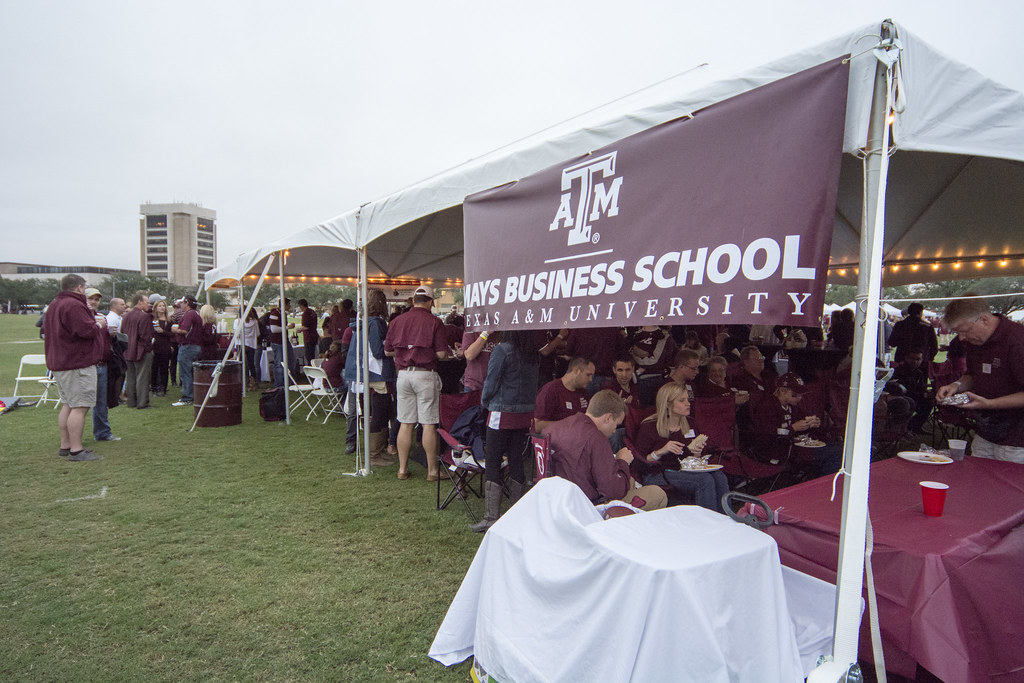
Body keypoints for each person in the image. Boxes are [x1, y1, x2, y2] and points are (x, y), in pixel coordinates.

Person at [544, 390, 667, 511]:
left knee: (630, 481)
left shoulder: (554, 427)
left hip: (556, 498)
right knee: (658, 494)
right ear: (608, 418)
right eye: (616, 424)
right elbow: (613, 491)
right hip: (588, 507)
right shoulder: (596, 438)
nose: (614, 430)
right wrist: (622, 461)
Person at [936, 296, 1024, 463]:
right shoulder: (975, 342)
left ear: (983, 319)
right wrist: (957, 385)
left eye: (965, 330)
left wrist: (990, 404)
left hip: (1017, 439)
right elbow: (973, 375)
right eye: (957, 332)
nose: (961, 338)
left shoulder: (1017, 341)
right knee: (979, 480)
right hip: (986, 431)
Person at [472, 330, 541, 532]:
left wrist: (484, 402)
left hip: (501, 411)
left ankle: (491, 516)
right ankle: (516, 513)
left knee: (493, 459)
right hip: (524, 412)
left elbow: (491, 382)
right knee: (516, 459)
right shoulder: (533, 353)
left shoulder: (502, 350)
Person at [632, 382, 730, 513]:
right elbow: (639, 462)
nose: (688, 403)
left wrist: (697, 453)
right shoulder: (649, 427)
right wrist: (661, 451)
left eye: (687, 399)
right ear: (667, 404)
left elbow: (690, 458)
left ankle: (725, 519)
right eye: (682, 400)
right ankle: (707, 523)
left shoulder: (690, 423)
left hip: (683, 470)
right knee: (704, 481)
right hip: (658, 472)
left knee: (719, 477)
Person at [384, 285, 448, 480]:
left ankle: (402, 469)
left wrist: (407, 351)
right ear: (429, 301)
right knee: (428, 423)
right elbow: (441, 354)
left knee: (405, 422)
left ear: (413, 300)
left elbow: (387, 351)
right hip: (425, 374)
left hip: (403, 374)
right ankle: (432, 471)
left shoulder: (397, 321)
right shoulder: (434, 322)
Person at [43, 274, 108, 461]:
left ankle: (66, 444)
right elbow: (85, 330)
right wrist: (98, 324)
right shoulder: (73, 305)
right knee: (80, 406)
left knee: (68, 405)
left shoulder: (55, 303)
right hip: (76, 363)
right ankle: (76, 450)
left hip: (61, 362)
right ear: (79, 288)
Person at [344, 288, 397, 465]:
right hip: (377, 373)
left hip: (366, 372)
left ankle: (376, 451)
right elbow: (378, 350)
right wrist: (393, 348)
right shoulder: (375, 323)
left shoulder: (363, 322)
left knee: (377, 411)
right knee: (380, 412)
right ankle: (374, 454)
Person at [85, 287, 118, 443]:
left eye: (97, 299)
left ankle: (103, 432)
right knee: (81, 403)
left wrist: (111, 334)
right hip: (87, 365)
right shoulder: (82, 318)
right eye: (91, 298)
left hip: (102, 364)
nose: (94, 302)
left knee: (101, 401)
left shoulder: (101, 317)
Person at [533, 357, 595, 433]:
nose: (591, 379)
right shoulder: (551, 390)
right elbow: (537, 426)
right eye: (588, 375)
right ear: (576, 370)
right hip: (558, 438)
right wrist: (568, 425)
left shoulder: (583, 392)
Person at [121, 292, 155, 409]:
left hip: (128, 350)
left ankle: (131, 402)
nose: (149, 305)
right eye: (147, 302)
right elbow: (145, 336)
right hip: (141, 351)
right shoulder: (144, 316)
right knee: (142, 377)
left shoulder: (126, 316)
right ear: (140, 302)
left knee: (130, 377)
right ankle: (142, 403)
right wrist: (149, 348)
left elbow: (123, 333)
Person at [172, 295, 202, 406]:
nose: (180, 305)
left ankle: (187, 397)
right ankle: (194, 395)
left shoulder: (189, 315)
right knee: (192, 372)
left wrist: (175, 329)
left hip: (187, 346)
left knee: (185, 373)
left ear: (187, 303)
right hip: (195, 346)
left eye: (182, 303)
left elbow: (184, 330)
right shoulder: (197, 314)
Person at [892, 349, 931, 434]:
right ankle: (906, 428)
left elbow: (921, 387)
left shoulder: (919, 373)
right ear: (906, 358)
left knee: (929, 403)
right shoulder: (900, 371)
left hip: (916, 397)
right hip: (903, 397)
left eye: (918, 359)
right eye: (912, 358)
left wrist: (926, 392)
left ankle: (916, 426)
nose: (915, 362)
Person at [267, 297, 295, 387]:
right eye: (288, 304)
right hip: (277, 342)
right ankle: (279, 384)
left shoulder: (283, 314)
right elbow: (274, 329)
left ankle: (289, 380)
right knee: (278, 363)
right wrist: (287, 327)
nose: (289, 306)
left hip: (284, 341)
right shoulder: (275, 314)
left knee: (291, 360)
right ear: (284, 305)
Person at [151, 296, 174, 397]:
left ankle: (163, 388)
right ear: (156, 308)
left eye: (163, 306)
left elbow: (172, 334)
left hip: (165, 347)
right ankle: (154, 388)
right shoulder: (152, 319)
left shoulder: (169, 320)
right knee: (154, 368)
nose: (162, 308)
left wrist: (163, 331)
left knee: (164, 368)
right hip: (155, 346)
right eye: (160, 306)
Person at [240, 307, 263, 390]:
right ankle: (254, 382)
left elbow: (237, 334)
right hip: (252, 344)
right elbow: (257, 334)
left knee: (243, 364)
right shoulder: (255, 321)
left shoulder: (239, 321)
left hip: (242, 344)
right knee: (251, 364)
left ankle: (244, 382)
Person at [296, 299, 319, 366]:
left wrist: (299, 329)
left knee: (308, 356)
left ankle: (310, 369)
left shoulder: (306, 314)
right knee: (313, 354)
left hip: (308, 337)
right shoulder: (312, 312)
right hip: (314, 335)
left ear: (301, 306)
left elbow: (306, 326)